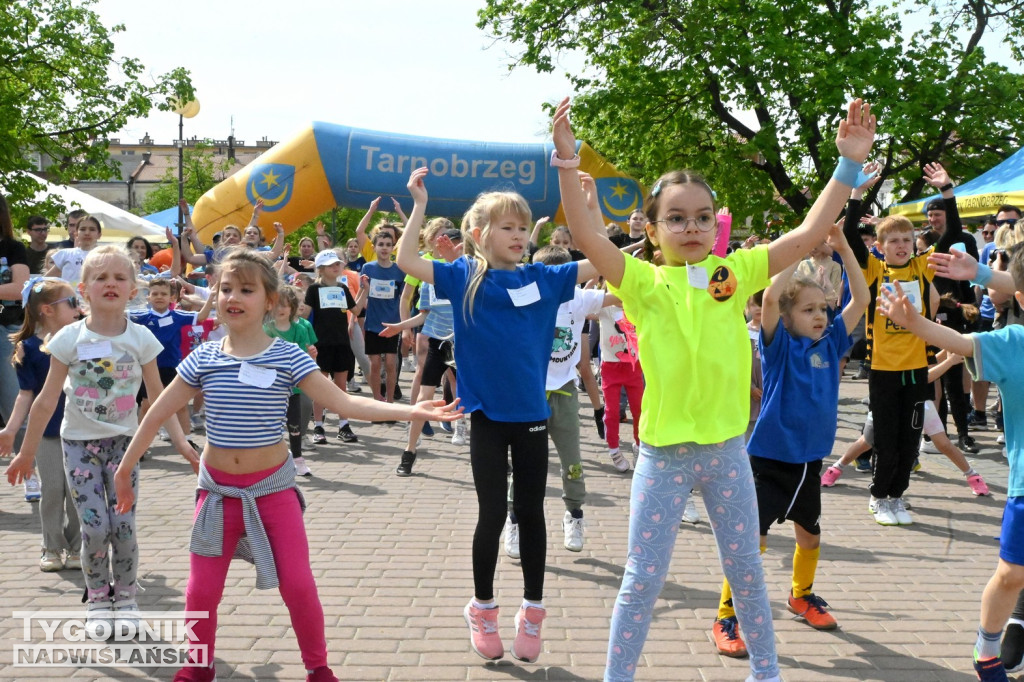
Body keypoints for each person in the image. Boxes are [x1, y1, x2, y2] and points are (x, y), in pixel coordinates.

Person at [553, 96, 876, 682]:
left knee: (747, 570)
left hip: (730, 453)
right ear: (652, 230)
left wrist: (848, 164)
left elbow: (806, 236)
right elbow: (584, 234)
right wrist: (568, 162)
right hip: (663, 457)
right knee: (642, 578)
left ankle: (767, 673)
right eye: (676, 218)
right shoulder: (643, 281)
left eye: (703, 216)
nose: (692, 227)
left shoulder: (737, 270)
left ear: (715, 223)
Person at [111, 248, 461, 682]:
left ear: (271, 301)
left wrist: (413, 412)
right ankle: (197, 666)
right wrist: (124, 469)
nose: (232, 296)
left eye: (246, 289)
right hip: (217, 494)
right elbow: (157, 412)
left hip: (273, 492)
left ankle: (318, 668)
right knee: (201, 590)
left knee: (297, 585)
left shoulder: (288, 356)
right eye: (225, 288)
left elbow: (343, 401)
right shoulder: (204, 357)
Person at [396, 166, 596, 664]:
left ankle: (533, 611)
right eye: (508, 227)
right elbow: (405, 259)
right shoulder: (463, 273)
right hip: (484, 416)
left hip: (532, 415)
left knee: (531, 514)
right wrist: (419, 205)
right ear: (478, 234)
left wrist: (589, 208)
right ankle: (482, 607)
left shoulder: (543, 278)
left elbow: (601, 262)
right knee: (491, 514)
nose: (519, 236)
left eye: (523, 228)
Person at [4, 245, 197, 640]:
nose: (110, 283)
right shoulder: (68, 338)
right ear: (83, 289)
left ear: (132, 289)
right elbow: (46, 399)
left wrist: (182, 444)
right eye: (101, 277)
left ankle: (126, 597)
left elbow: (158, 401)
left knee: (122, 526)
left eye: (119, 277)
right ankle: (97, 598)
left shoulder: (142, 338)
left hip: (125, 447)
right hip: (79, 447)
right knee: (94, 529)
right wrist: (25, 452)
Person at [713, 222, 869, 656]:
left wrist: (842, 248)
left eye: (823, 308)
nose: (820, 316)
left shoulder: (832, 342)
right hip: (768, 460)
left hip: (809, 462)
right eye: (808, 310)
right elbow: (767, 297)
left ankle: (801, 594)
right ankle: (726, 615)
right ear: (785, 318)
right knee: (751, 542)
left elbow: (863, 298)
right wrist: (794, 251)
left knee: (810, 535)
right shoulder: (778, 346)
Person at [876, 247, 1024, 681]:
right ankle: (987, 649)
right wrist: (914, 323)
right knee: (1012, 574)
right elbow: (961, 343)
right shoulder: (1014, 342)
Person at [0, 277, 82, 571]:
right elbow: (25, 395)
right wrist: (10, 429)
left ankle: (77, 548)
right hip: (47, 433)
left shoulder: (83, 340)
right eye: (71, 302)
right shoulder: (29, 348)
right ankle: (51, 546)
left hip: (80, 431)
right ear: (46, 310)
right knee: (51, 490)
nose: (78, 307)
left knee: (77, 491)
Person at [304, 250, 362, 444]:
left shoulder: (343, 288)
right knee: (321, 387)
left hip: (342, 343)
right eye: (331, 265)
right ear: (320, 269)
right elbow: (304, 316)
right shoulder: (313, 290)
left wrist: (365, 290)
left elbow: (356, 310)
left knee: (341, 386)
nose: (336, 267)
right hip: (321, 344)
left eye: (338, 263)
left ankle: (343, 425)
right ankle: (318, 426)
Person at [265, 285, 318, 477]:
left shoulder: (299, 329)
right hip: (270, 388)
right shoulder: (265, 329)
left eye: (286, 305)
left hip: (293, 387)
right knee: (271, 427)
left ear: (292, 307)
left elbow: (304, 357)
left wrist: (312, 358)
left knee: (294, 426)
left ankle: (298, 459)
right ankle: (271, 463)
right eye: (277, 304)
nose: (281, 309)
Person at [358, 230, 405, 404]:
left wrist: (404, 325)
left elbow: (403, 298)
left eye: (388, 245)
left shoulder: (399, 270)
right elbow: (362, 296)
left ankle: (390, 402)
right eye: (381, 244)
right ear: (374, 247)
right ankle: (377, 401)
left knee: (392, 363)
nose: (384, 248)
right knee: (375, 364)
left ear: (393, 248)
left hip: (392, 324)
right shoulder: (368, 268)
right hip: (372, 324)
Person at [0, 194, 31, 428]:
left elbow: (20, 289)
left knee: (14, 401)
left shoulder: (13, 247)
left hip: (6, 328)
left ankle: (26, 459)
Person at [46, 214, 102, 287]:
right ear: (76, 234)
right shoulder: (65, 254)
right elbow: (46, 279)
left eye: (92, 229)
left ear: (99, 235)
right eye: (83, 229)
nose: (87, 233)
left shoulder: (106, 256)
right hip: (70, 297)